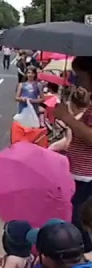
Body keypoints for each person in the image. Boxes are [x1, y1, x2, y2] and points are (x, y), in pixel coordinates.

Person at [52, 56, 92, 217]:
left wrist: (66, 118)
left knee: (79, 220)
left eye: (81, 77)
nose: (78, 82)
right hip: (79, 174)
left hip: (87, 178)